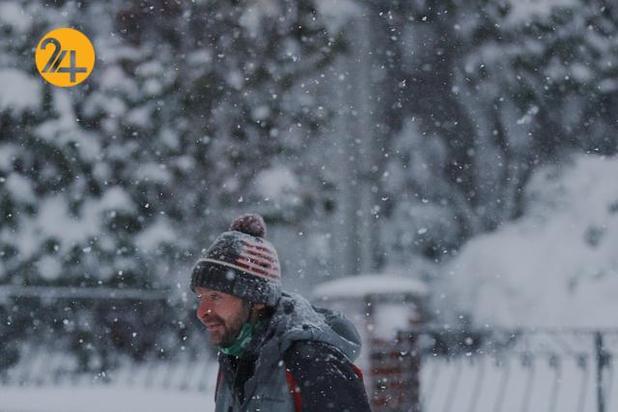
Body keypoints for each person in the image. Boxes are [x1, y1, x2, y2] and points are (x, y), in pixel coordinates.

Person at [191, 213, 372, 412]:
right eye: (201, 297)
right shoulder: (234, 357)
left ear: (257, 300)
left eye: (216, 296)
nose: (202, 312)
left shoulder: (313, 365)